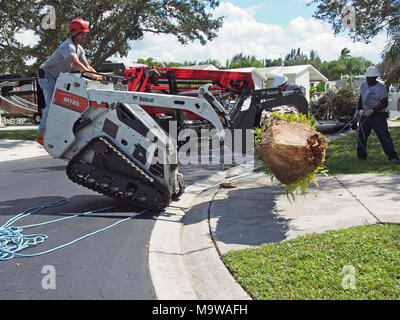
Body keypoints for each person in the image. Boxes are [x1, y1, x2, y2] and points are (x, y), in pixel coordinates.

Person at [37, 18, 103, 144]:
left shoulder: (80, 49)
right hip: (46, 75)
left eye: (85, 34)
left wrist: (99, 76)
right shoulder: (68, 46)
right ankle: (42, 133)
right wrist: (93, 76)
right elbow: (76, 62)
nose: (85, 36)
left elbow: (87, 66)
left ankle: (59, 130)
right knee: (52, 104)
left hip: (57, 77)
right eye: (82, 34)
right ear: (74, 33)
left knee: (65, 103)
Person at [354, 66, 400, 164]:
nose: (368, 79)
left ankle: (393, 157)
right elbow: (361, 98)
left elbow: (384, 103)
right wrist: (358, 110)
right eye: (367, 77)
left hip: (378, 115)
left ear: (375, 77)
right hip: (365, 114)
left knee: (383, 136)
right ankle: (361, 157)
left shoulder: (380, 88)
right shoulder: (363, 86)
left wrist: (373, 110)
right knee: (362, 136)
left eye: (370, 77)